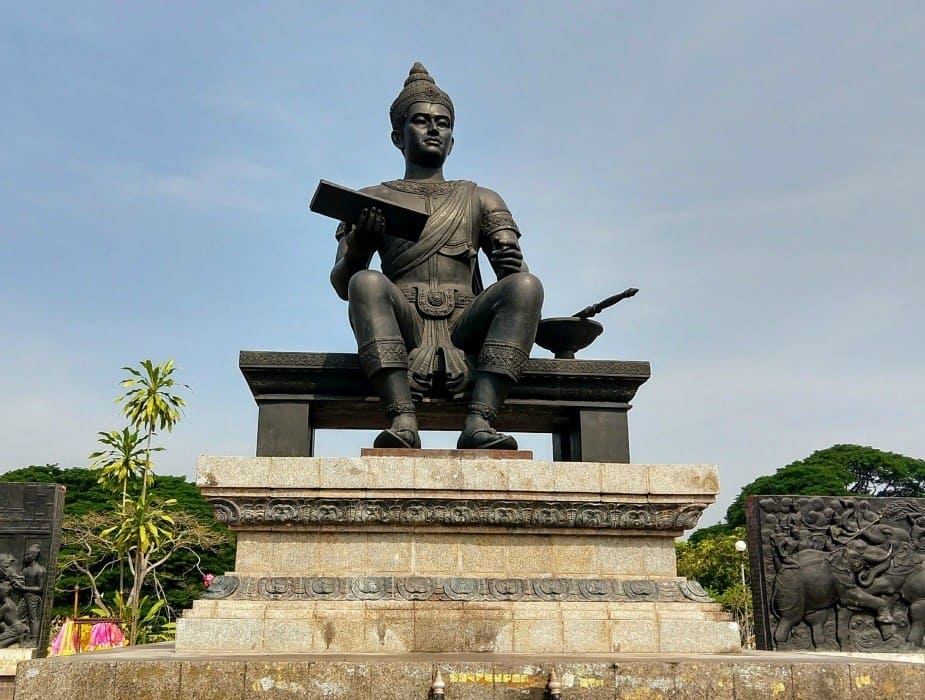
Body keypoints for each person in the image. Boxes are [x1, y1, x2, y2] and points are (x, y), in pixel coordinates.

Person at [330, 63, 543, 451]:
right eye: (421, 121)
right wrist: (359, 250)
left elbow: (514, 284)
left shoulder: (482, 198)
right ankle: (402, 415)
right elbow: (343, 286)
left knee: (528, 286)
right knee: (366, 281)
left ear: (452, 140)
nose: (433, 130)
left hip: (466, 320)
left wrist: (514, 264)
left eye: (442, 123)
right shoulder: (371, 201)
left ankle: (480, 419)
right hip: (404, 318)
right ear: (398, 136)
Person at [20, 545, 46, 645]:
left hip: (33, 597)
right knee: (20, 616)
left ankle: (34, 640)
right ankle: (23, 637)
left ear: (34, 556)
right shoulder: (25, 570)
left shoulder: (40, 570)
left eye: (28, 555)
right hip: (24, 596)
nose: (26, 557)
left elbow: (40, 588)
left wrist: (24, 588)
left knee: (33, 618)